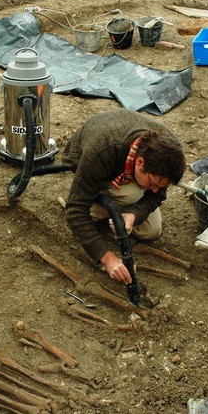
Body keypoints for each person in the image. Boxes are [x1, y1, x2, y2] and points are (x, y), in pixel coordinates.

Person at [62, 109, 186, 285]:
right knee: (129, 195)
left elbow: (157, 196)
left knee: (151, 230)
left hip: (126, 165)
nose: (156, 190)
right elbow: (75, 210)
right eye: (153, 183)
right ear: (141, 163)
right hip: (92, 159)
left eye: (161, 186)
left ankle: (116, 211)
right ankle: (99, 207)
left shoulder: (169, 152)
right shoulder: (103, 150)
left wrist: (133, 214)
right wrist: (107, 258)